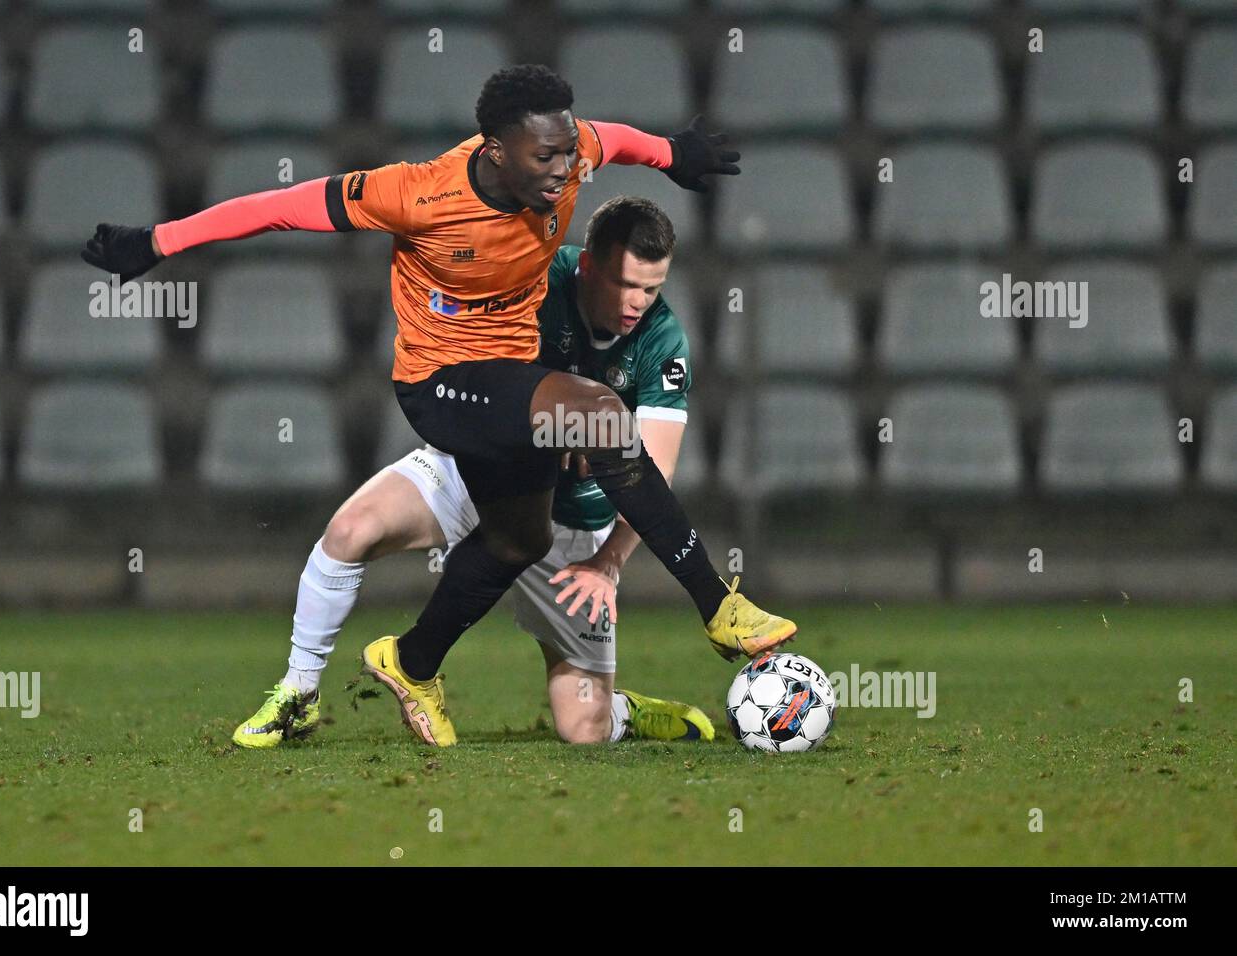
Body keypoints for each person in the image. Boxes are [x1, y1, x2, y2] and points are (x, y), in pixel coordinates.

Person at [83, 64, 796, 750]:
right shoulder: (417, 194)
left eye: (568, 149)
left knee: (521, 541)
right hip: (441, 383)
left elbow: (619, 139)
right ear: (495, 150)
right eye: (544, 154)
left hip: (511, 381)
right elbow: (278, 208)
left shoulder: (573, 154)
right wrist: (157, 240)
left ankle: (412, 663)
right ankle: (718, 607)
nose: (563, 167)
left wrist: (673, 154)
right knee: (601, 414)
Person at [235, 197, 718, 747]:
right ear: (587, 264)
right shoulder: (535, 278)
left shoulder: (663, 340)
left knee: (583, 728)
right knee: (350, 530)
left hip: (574, 525)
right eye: (625, 284)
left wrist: (607, 563)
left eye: (651, 289)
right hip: (479, 473)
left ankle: (621, 713)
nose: (638, 303)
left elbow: (656, 472)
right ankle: (298, 694)